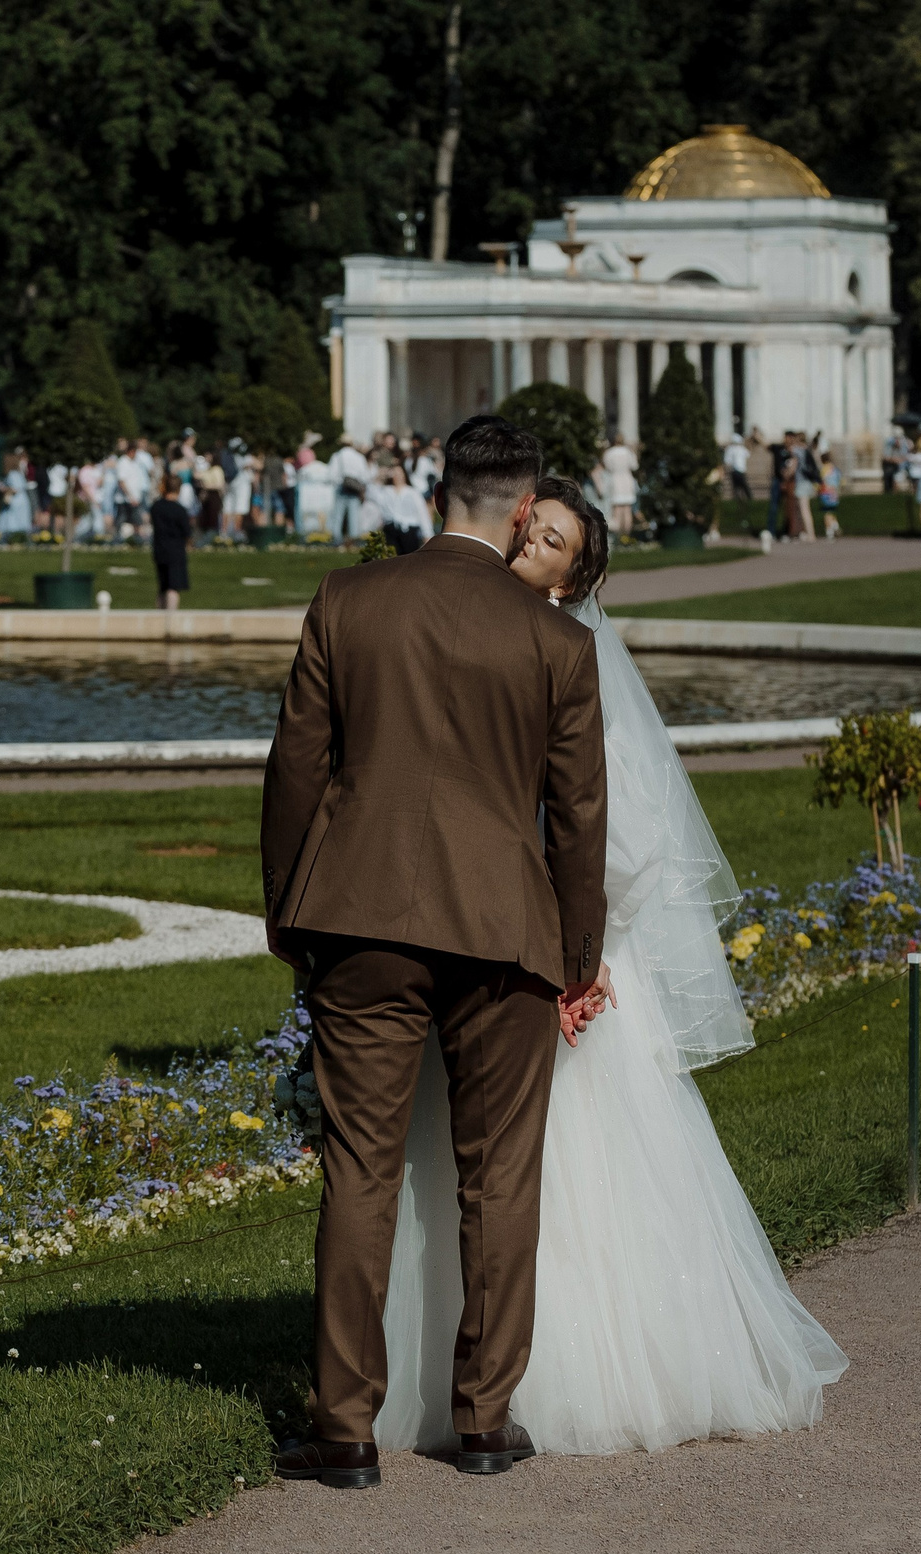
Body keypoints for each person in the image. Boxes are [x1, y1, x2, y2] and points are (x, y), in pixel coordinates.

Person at [372, 473, 846, 1460]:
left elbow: (622, 834)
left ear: (571, 579)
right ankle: (449, 1379)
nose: (526, 546)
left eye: (549, 544)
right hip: (476, 947)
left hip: (555, 957)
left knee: (551, 1177)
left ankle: (542, 1379)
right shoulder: (468, 633)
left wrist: (574, 959)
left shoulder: (567, 655)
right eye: (527, 528)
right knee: (470, 1173)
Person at [263, 413, 608, 1489]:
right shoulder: (558, 641)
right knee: (498, 1174)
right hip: (505, 928)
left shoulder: (346, 600)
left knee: (357, 1168)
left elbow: (293, 774)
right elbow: (579, 819)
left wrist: (291, 916)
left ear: (434, 488)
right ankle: (481, 1419)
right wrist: (578, 954)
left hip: (358, 916)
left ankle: (346, 1431)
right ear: (519, 509)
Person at [147, 484, 193, 610]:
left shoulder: (156, 507)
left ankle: (159, 617)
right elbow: (187, 532)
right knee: (173, 587)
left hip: (159, 549)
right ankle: (171, 620)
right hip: (176, 550)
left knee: (162, 587)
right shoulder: (179, 510)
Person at [598, 435, 638, 536]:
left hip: (615, 480)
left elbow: (607, 466)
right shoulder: (628, 452)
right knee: (627, 510)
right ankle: (627, 536)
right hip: (627, 480)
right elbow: (634, 466)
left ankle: (618, 535)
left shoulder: (609, 453)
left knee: (617, 510)